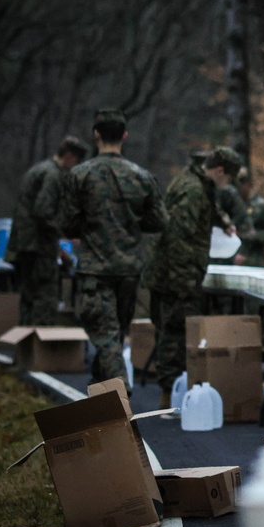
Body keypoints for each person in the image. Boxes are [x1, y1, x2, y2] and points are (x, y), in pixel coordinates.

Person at [62, 109, 168, 393]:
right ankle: (102, 396)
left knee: (106, 336)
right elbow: (159, 221)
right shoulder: (142, 176)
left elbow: (67, 223)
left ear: (96, 135)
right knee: (113, 335)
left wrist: (87, 228)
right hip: (130, 270)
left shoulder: (79, 175)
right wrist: (130, 223)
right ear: (124, 136)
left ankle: (119, 385)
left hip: (95, 269)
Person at [144, 147, 242, 410]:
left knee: (174, 332)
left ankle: (173, 395)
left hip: (177, 272)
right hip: (177, 276)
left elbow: (209, 208)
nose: (228, 185)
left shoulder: (197, 182)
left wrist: (223, 221)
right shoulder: (193, 191)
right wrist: (184, 281)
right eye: (229, 178)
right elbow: (176, 237)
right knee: (175, 334)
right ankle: (170, 398)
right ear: (220, 171)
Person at [5, 135, 88, 325]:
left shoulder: (39, 170)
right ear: (68, 156)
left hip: (25, 246)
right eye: (76, 161)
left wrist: (60, 248)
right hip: (39, 250)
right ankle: (40, 349)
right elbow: (43, 212)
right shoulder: (53, 175)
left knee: (28, 299)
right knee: (45, 298)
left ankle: (25, 351)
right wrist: (67, 233)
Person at [233, 167, 264, 267]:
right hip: (228, 260)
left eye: (240, 185)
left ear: (248, 185)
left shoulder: (261, 205)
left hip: (253, 261)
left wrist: (253, 236)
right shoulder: (230, 203)